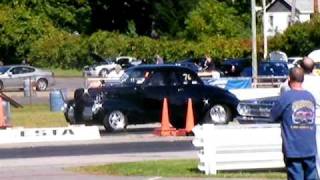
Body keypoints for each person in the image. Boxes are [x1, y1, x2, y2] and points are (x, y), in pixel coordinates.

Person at [271, 67, 317, 180]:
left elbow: (273, 116)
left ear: (289, 79)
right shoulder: (310, 97)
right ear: (303, 79)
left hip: (293, 148)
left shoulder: (286, 97)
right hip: (310, 148)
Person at [281, 56, 320, 177]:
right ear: (313, 68)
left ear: (301, 67)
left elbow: (282, 98)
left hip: (298, 124)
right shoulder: (318, 81)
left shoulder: (290, 85)